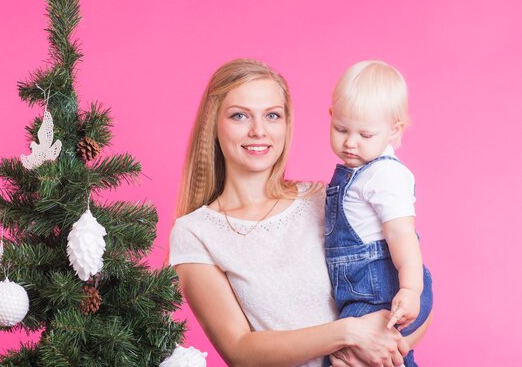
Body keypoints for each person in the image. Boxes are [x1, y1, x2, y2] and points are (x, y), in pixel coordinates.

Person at [169, 58, 430, 367]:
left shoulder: (327, 200)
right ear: (214, 123)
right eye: (239, 116)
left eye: (272, 115)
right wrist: (348, 333)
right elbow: (239, 350)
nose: (258, 131)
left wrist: (374, 354)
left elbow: (412, 294)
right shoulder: (195, 232)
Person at [324, 61, 433, 367]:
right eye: (341, 129)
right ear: (330, 117)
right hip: (364, 297)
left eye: (365, 134)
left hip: (383, 295)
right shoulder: (357, 173)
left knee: (344, 354)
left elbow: (402, 234)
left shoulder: (383, 174)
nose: (350, 142)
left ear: (393, 130)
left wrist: (411, 290)